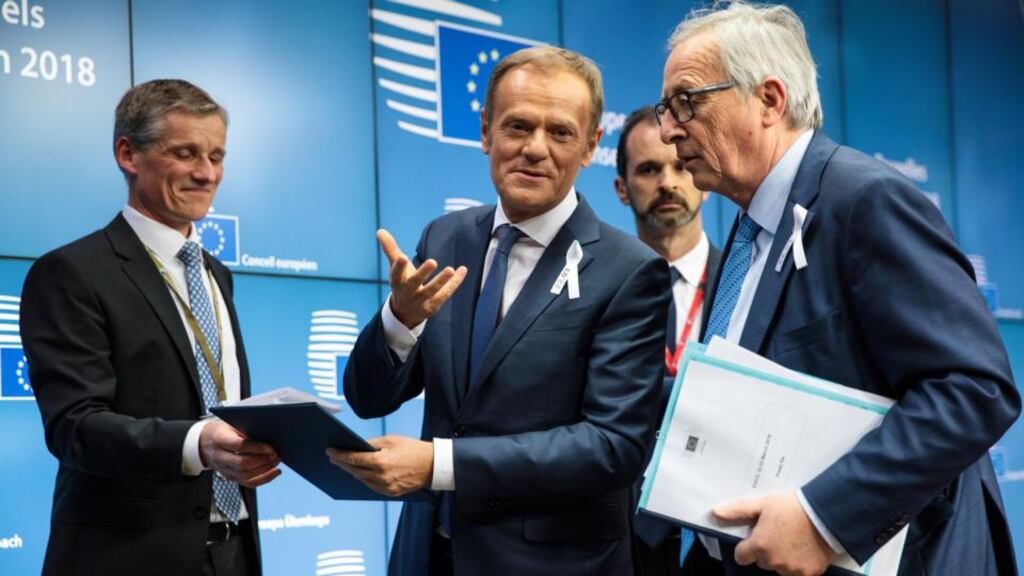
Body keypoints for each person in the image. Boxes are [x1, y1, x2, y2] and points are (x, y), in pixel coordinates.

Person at [654, 3, 1020, 575]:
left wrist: (822, 517)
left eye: (686, 102)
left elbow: (974, 388)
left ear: (770, 100)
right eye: (665, 108)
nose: (668, 129)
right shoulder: (749, 236)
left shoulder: (865, 201)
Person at [328, 46, 669, 575]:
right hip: (430, 554)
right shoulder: (445, 236)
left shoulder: (629, 270)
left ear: (590, 147)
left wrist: (439, 465)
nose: (535, 149)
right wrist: (401, 319)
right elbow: (367, 398)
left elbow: (613, 445)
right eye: (518, 126)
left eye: (560, 132)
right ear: (486, 131)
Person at [20, 79, 280, 576]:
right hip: (128, 559)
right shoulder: (72, 273)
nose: (207, 174)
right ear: (128, 154)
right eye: (186, 154)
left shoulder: (215, 273)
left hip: (234, 551)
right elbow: (76, 426)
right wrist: (199, 443)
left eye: (217, 156)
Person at [614, 105, 722, 576]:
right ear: (621, 188)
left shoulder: (748, 284)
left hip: (723, 535)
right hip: (618, 538)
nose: (668, 182)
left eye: (681, 165)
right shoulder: (600, 294)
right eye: (649, 169)